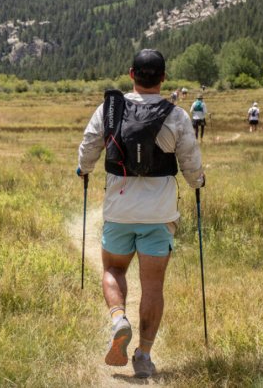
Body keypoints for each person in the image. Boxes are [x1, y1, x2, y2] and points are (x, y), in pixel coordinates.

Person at [77, 49, 205, 379]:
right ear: (163, 78)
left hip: (120, 210)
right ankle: (144, 355)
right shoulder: (175, 115)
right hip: (159, 213)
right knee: (153, 286)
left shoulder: (109, 109)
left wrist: (84, 169)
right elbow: (190, 161)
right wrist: (197, 182)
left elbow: (90, 145)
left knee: (113, 269)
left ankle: (119, 318)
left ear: (131, 74)